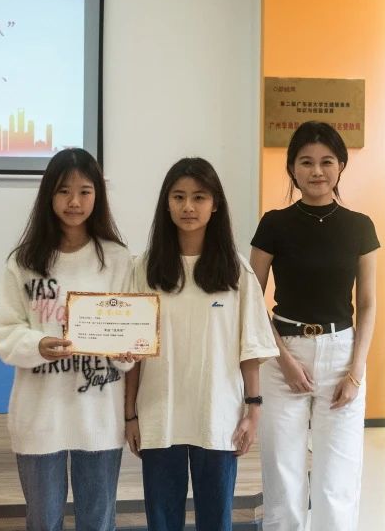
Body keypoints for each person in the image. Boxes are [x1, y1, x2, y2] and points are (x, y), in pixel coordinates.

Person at [124, 157, 278, 531]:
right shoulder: (144, 268)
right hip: (160, 414)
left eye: (199, 197)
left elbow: (250, 349)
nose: (188, 207)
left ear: (215, 204)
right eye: (178, 197)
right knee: (162, 521)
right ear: (166, 204)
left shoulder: (236, 270)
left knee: (216, 521)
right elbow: (134, 353)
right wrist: (130, 415)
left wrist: (253, 411)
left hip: (219, 416)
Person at [0, 148, 134, 531]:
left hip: (98, 414)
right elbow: (4, 330)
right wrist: (37, 345)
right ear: (48, 196)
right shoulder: (23, 261)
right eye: (63, 191)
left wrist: (125, 349)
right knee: (43, 521)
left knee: (98, 521)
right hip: (40, 413)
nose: (74, 202)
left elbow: (132, 335)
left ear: (97, 195)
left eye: (85, 191)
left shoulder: (118, 259)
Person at [250, 121, 379, 531]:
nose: (317, 171)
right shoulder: (274, 224)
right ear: (292, 168)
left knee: (337, 478)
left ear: (341, 165)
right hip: (283, 353)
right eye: (306, 162)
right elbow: (252, 300)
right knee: (283, 473)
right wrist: (283, 359)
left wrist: (356, 371)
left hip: (342, 354)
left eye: (326, 161)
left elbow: (368, 304)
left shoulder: (360, 226)